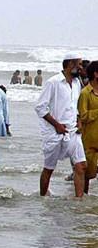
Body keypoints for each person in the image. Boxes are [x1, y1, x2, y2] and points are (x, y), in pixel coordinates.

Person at [35, 53, 87, 198]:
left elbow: (73, 106)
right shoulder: (54, 82)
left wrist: (79, 121)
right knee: (49, 169)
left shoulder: (77, 83)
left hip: (73, 131)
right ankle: (43, 198)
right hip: (55, 133)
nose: (81, 67)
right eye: (80, 64)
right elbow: (40, 107)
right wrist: (57, 125)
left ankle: (79, 200)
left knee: (81, 166)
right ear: (70, 64)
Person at [79, 61, 98, 194]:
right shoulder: (85, 93)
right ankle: (83, 200)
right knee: (88, 174)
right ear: (96, 74)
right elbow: (83, 116)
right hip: (90, 140)